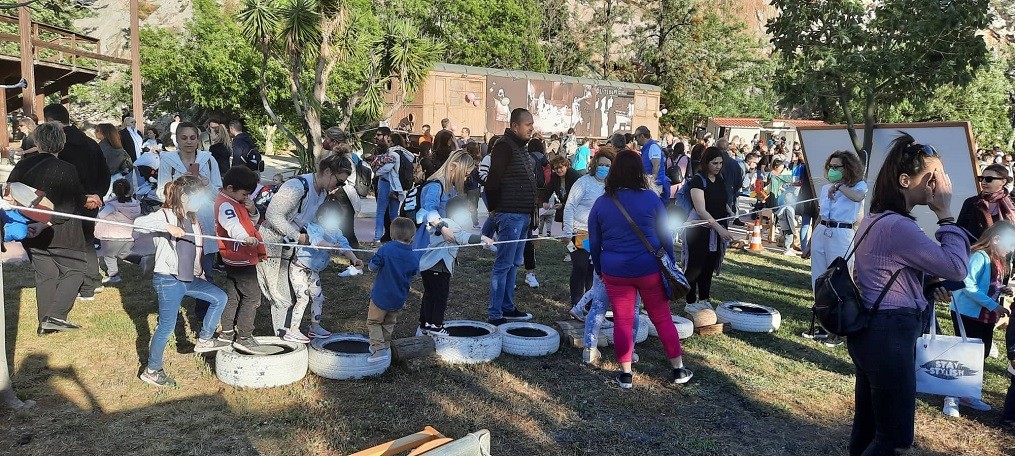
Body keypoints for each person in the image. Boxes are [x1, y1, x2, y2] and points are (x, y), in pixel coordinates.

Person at [848, 134, 968, 456]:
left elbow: (875, 272)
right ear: (905, 180)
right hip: (890, 335)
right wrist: (945, 214)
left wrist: (925, 285)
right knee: (894, 437)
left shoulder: (876, 219)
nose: (939, 186)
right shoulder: (899, 227)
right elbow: (957, 267)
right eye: (933, 178)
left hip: (871, 330)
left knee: (869, 426)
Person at [587, 149, 692, 388]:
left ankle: (625, 374)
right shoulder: (651, 199)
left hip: (615, 271)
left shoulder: (603, 203)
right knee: (662, 318)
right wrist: (670, 263)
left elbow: (595, 241)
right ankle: (678, 369)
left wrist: (600, 267)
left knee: (622, 321)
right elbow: (665, 235)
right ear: (639, 172)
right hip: (649, 267)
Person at [135, 175, 230, 387]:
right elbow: (139, 224)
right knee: (166, 327)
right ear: (185, 196)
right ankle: (152, 370)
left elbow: (195, 251)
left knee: (219, 297)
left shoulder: (194, 219)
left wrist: (200, 272)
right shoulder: (165, 215)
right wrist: (167, 227)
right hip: (168, 279)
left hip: (189, 278)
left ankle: (205, 338)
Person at [6, 122, 88, 335]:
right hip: (61, 232)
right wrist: (45, 223)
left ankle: (46, 322)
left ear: (38, 142)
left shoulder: (23, 166)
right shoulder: (67, 169)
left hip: (30, 228)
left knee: (46, 274)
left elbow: (10, 192)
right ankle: (56, 316)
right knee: (76, 270)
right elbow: (69, 206)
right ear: (61, 144)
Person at [258, 154, 350, 337]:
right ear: (327, 171)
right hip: (274, 243)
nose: (339, 187)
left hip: (295, 245)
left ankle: (290, 334)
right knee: (281, 294)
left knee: (294, 294)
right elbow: (273, 215)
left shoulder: (323, 193)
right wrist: (297, 236)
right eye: (339, 182)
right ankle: (284, 337)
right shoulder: (297, 187)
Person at [943, 221, 1014, 418]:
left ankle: (966, 394)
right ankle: (951, 397)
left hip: (985, 316)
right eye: (1009, 244)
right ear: (996, 239)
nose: (1010, 249)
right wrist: (993, 305)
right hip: (968, 313)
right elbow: (968, 284)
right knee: (964, 356)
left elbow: (986, 286)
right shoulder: (980, 256)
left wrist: (1001, 290)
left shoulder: (998, 261)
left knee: (979, 356)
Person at [43, 104, 109, 302]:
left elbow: (67, 176)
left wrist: (87, 197)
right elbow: (104, 173)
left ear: (50, 121)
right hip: (91, 199)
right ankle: (92, 280)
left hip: (70, 200)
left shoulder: (59, 145)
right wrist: (97, 195)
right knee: (87, 240)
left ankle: (86, 284)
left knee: (70, 243)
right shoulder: (90, 143)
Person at [157, 121, 223, 318]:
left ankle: (203, 312)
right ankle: (170, 309)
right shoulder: (168, 160)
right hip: (178, 218)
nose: (188, 142)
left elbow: (217, 191)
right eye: (184, 138)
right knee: (174, 265)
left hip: (203, 218)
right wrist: (178, 183)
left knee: (205, 266)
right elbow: (161, 192)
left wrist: (206, 183)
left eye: (192, 137)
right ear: (177, 139)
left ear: (198, 140)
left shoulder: (208, 160)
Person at [801, 150, 867, 341]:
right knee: (819, 280)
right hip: (823, 231)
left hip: (842, 232)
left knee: (840, 281)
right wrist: (811, 242)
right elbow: (821, 216)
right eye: (830, 166)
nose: (832, 170)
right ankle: (823, 325)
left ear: (848, 168)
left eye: (836, 167)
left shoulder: (858, 186)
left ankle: (841, 328)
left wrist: (839, 187)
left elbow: (858, 197)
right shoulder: (825, 189)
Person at [484, 108, 537, 325]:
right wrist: (495, 208)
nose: (531, 129)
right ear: (515, 126)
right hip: (510, 214)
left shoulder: (520, 147)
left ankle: (507, 307)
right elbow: (493, 180)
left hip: (522, 215)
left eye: (532, 125)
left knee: (514, 263)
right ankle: (495, 313)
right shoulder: (504, 146)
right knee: (504, 264)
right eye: (528, 125)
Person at [416, 197, 494, 336]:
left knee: (429, 295)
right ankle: (436, 326)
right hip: (438, 267)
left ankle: (425, 323)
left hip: (427, 266)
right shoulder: (450, 224)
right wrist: (483, 238)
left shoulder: (442, 223)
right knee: (440, 296)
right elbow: (464, 237)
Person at [289, 200, 364, 342]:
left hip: (313, 271)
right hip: (299, 268)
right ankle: (293, 329)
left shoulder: (336, 232)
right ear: (322, 219)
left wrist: (355, 260)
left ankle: (315, 327)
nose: (335, 224)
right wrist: (330, 245)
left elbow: (344, 245)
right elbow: (317, 241)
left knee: (318, 298)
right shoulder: (313, 227)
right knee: (303, 298)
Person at [214, 166, 269, 354]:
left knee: (234, 296)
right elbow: (232, 225)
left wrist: (252, 210)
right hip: (240, 258)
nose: (246, 197)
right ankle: (244, 336)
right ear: (230, 189)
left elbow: (249, 221)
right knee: (252, 297)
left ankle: (227, 333)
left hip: (236, 258)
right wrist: (244, 237)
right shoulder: (226, 205)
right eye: (244, 193)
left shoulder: (235, 201)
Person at [563, 146, 616, 307]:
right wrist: (567, 230)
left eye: (608, 166)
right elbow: (570, 205)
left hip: (600, 236)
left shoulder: (612, 186)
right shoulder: (583, 182)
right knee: (580, 267)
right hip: (579, 234)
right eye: (601, 164)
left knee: (593, 270)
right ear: (594, 165)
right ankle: (576, 303)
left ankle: (589, 305)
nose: (604, 168)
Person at [683, 147, 733, 311]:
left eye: (720, 163)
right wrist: (720, 229)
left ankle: (704, 298)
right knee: (695, 267)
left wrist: (730, 211)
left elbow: (720, 199)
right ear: (706, 163)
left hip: (715, 228)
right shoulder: (698, 180)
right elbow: (701, 210)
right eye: (714, 163)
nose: (718, 166)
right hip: (699, 229)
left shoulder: (720, 178)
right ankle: (690, 301)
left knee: (709, 266)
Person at [366, 217, 420, 362]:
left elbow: (372, 267)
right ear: (412, 237)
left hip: (380, 296)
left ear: (391, 234)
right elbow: (414, 273)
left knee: (374, 322)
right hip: (398, 297)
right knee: (389, 322)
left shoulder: (385, 249)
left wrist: (376, 256)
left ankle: (378, 349)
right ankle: (385, 345)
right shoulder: (413, 257)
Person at [323, 127, 363, 251]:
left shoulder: (343, 157)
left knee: (347, 229)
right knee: (339, 227)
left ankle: (356, 261)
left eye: (327, 139)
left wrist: (334, 187)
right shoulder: (343, 155)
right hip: (341, 194)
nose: (325, 141)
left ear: (334, 141)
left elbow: (343, 177)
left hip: (343, 194)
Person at [95, 178, 141, 284]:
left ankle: (114, 275)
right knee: (124, 253)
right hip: (129, 236)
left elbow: (100, 216)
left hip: (112, 237)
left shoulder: (112, 205)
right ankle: (143, 261)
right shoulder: (135, 204)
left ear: (114, 191)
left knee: (109, 256)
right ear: (129, 190)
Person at [956, 164, 1015, 243]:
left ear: (1003, 182)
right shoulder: (971, 202)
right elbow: (959, 230)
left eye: (988, 179)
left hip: (1006, 251)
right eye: (981, 178)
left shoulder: (1012, 204)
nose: (983, 182)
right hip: (976, 251)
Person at [371, 127, 404, 242]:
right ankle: (396, 238)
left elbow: (381, 170)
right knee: (393, 214)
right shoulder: (396, 154)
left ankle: (377, 238)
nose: (389, 144)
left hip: (386, 184)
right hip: (395, 185)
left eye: (390, 141)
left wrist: (376, 170)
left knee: (381, 213)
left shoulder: (392, 155)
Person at [635, 126, 670, 202]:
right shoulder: (647, 147)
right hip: (651, 185)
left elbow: (656, 165)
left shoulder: (653, 146)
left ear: (642, 136)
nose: (636, 140)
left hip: (655, 185)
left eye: (636, 137)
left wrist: (652, 180)